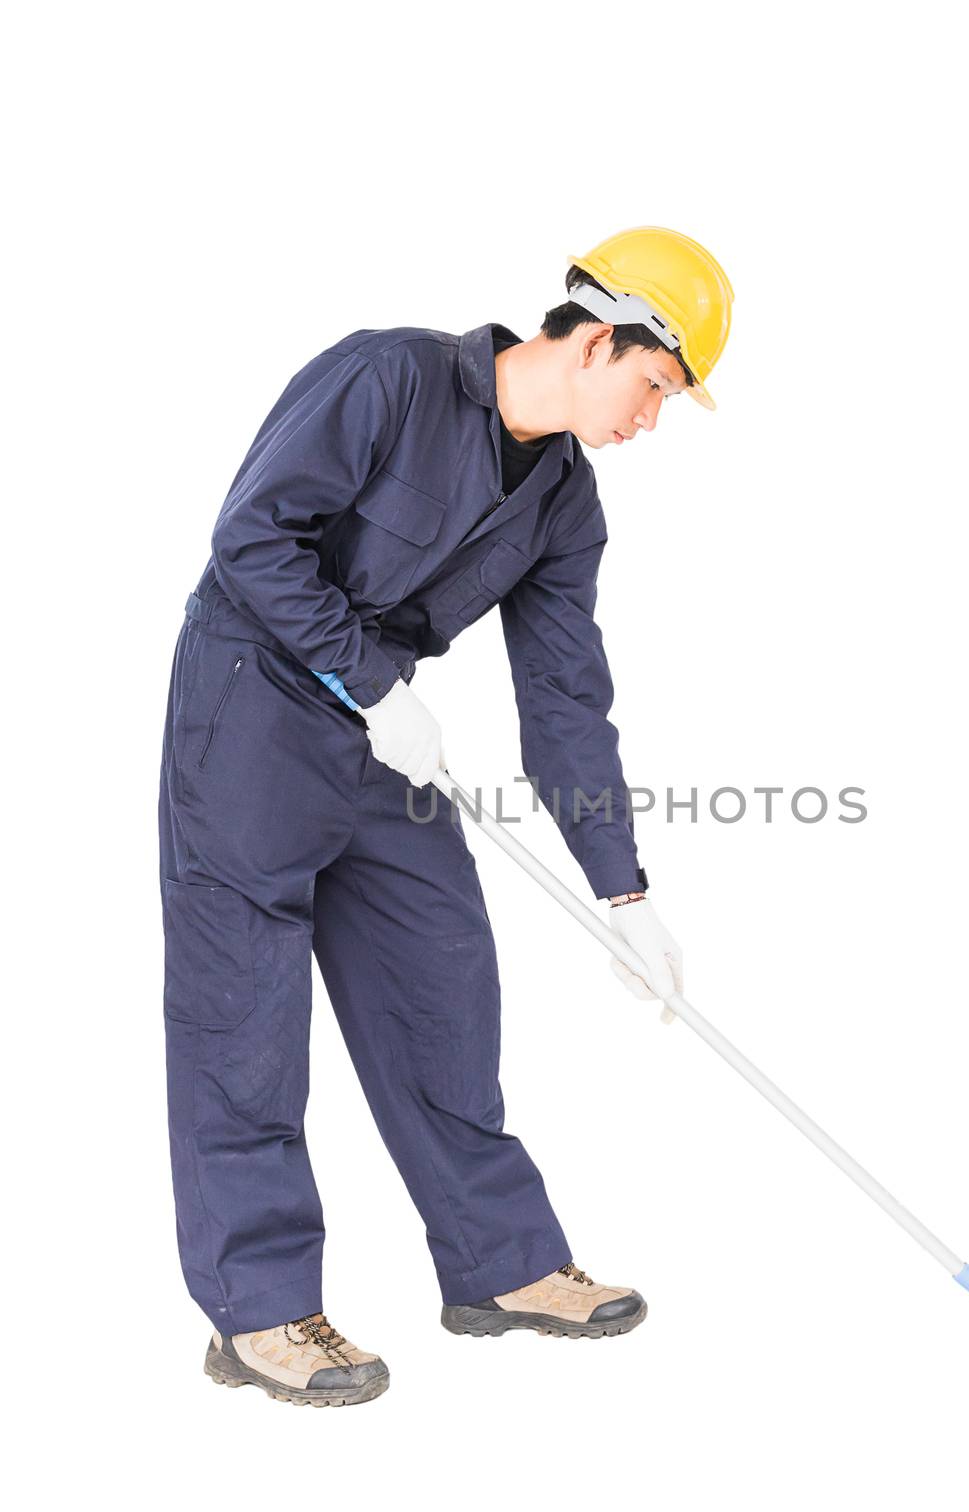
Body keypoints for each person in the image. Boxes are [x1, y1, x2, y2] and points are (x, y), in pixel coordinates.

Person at [159, 226, 735, 1407]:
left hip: (379, 729)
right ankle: (260, 1313)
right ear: (603, 337)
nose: (651, 420)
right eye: (655, 387)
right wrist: (367, 683)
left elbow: (568, 704)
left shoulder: (566, 505)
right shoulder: (390, 377)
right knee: (246, 1013)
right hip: (253, 705)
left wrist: (624, 895)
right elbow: (252, 538)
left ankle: (501, 1264)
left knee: (444, 975)